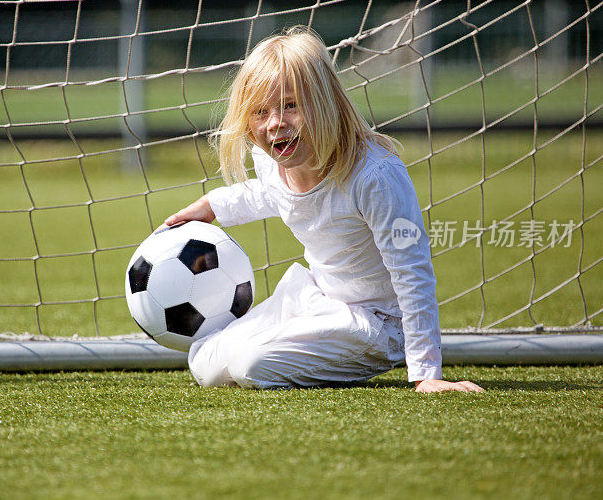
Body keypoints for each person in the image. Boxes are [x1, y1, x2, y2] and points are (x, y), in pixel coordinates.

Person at [164, 27, 483, 393]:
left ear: (326, 100)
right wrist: (211, 206)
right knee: (204, 362)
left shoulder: (374, 176)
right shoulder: (273, 162)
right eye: (260, 112)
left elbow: (412, 272)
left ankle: (330, 357)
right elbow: (268, 194)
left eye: (290, 105)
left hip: (377, 324)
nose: (275, 123)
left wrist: (426, 372)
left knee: (251, 365)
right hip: (317, 298)